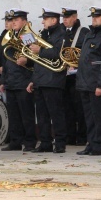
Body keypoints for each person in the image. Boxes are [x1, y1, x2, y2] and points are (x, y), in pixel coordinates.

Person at [75, 7, 101, 156]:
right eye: (93, 17)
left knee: (98, 116)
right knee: (89, 117)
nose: (94, 19)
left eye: (97, 17)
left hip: (96, 85)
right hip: (85, 83)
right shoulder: (89, 35)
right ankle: (91, 144)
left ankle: (99, 146)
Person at [27, 8, 67, 153]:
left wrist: (40, 51)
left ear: (54, 20)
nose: (42, 21)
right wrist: (33, 80)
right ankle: (45, 143)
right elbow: (37, 60)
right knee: (42, 115)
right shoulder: (42, 34)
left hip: (53, 80)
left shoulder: (62, 34)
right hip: (40, 80)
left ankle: (60, 143)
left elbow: (59, 53)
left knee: (56, 113)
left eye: (45, 19)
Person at [0, 9, 36, 152]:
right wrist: (3, 81)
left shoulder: (27, 36)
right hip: (11, 81)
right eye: (12, 20)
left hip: (23, 81)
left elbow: (36, 60)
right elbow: (6, 61)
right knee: (13, 115)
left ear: (24, 22)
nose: (13, 22)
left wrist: (26, 60)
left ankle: (29, 142)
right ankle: (15, 141)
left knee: (26, 114)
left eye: (16, 20)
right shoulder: (10, 36)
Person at [61, 8, 88, 146]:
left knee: (79, 108)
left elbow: (85, 53)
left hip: (76, 75)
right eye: (63, 17)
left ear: (75, 17)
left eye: (68, 17)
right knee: (66, 108)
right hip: (62, 75)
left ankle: (82, 137)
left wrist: (76, 65)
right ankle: (69, 136)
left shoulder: (83, 32)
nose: (64, 19)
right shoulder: (61, 31)